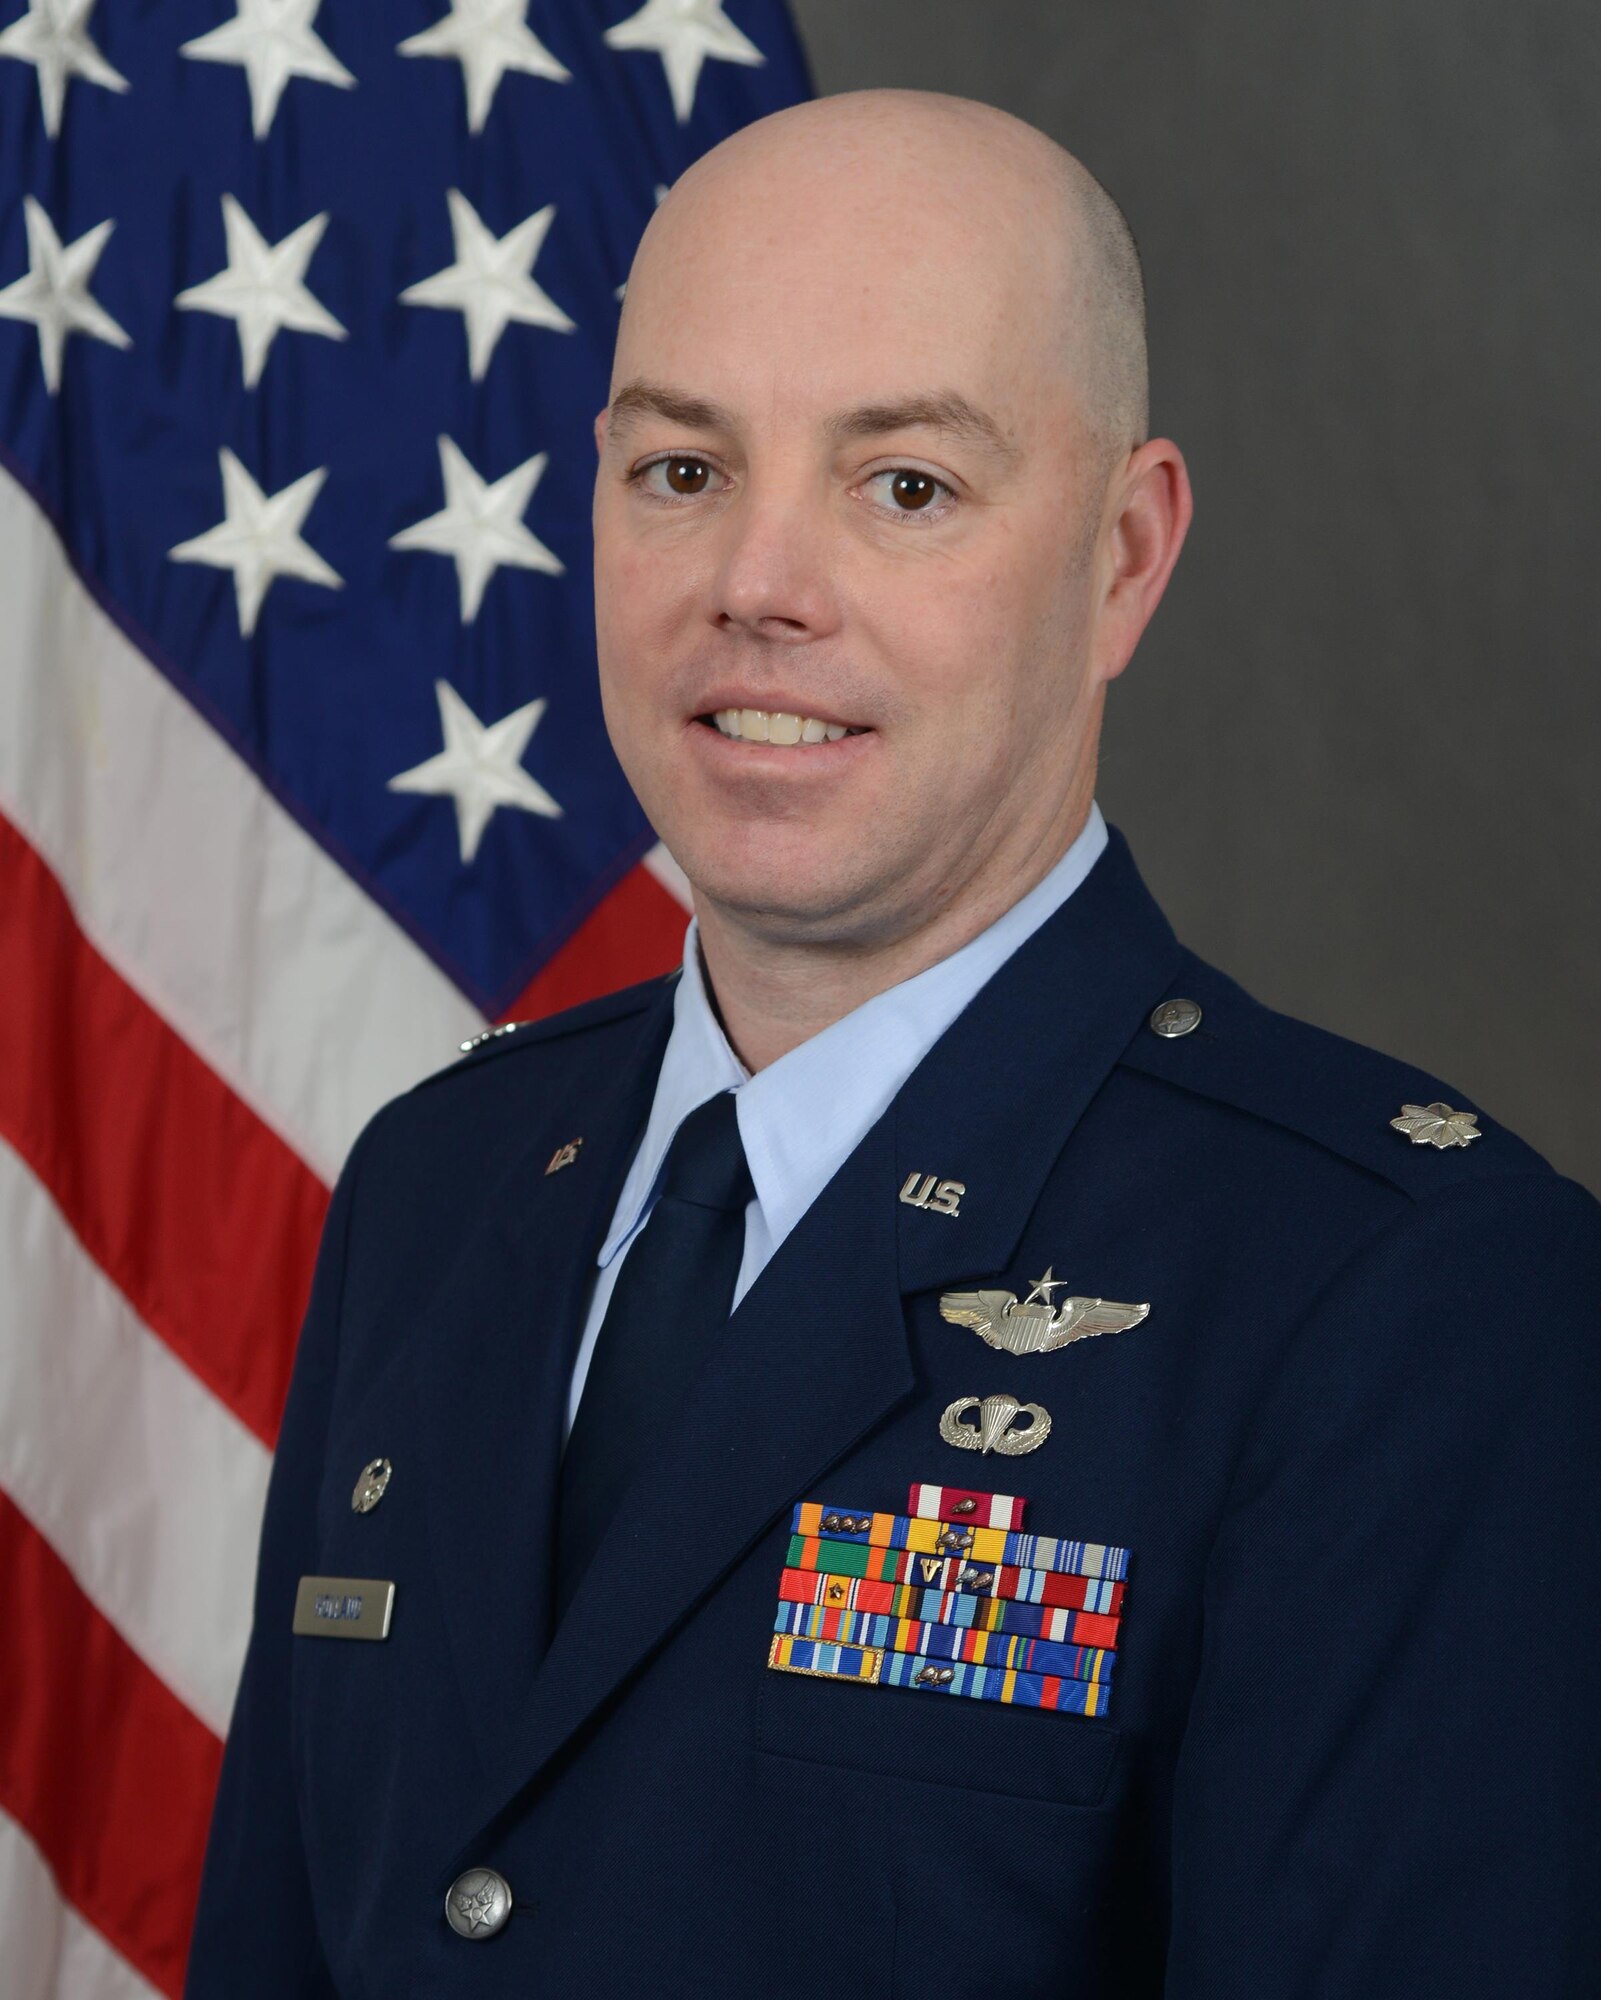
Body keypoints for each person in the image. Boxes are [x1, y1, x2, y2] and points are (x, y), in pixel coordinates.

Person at [186, 90, 1601, 1998]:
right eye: (681, 468)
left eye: (905, 485)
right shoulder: (437, 1188)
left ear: (1121, 557)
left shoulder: (1402, 1292)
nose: (757, 582)